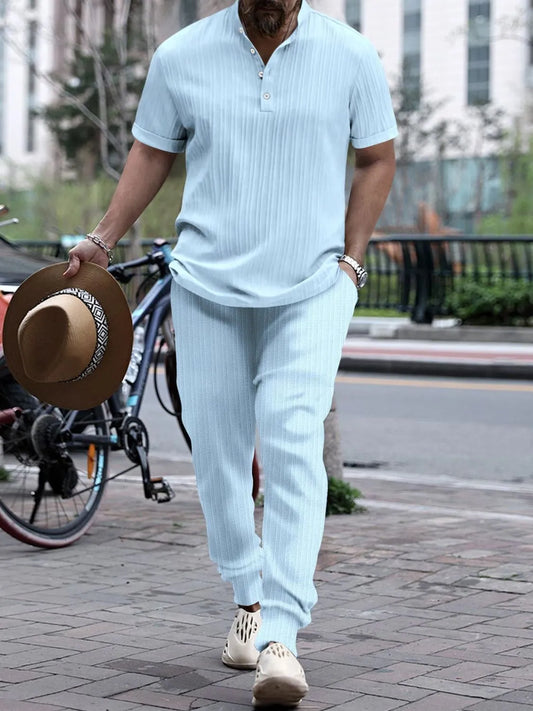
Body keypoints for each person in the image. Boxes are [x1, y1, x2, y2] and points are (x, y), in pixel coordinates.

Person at [65, 0, 397, 706]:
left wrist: (351, 263)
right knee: (217, 454)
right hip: (206, 286)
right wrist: (101, 238)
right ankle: (247, 596)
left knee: (291, 436)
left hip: (311, 288)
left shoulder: (351, 55)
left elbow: (376, 157)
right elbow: (152, 151)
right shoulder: (182, 55)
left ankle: (282, 635)